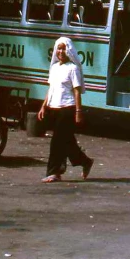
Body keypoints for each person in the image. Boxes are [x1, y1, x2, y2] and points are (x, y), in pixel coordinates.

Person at [38, 37, 93, 183]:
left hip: (67, 109)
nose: (60, 51)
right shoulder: (55, 68)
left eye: (63, 48)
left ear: (68, 50)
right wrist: (43, 106)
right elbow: (51, 89)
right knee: (67, 142)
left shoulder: (72, 68)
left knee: (56, 141)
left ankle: (54, 172)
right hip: (53, 108)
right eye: (58, 48)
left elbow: (77, 91)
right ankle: (85, 161)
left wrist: (78, 111)